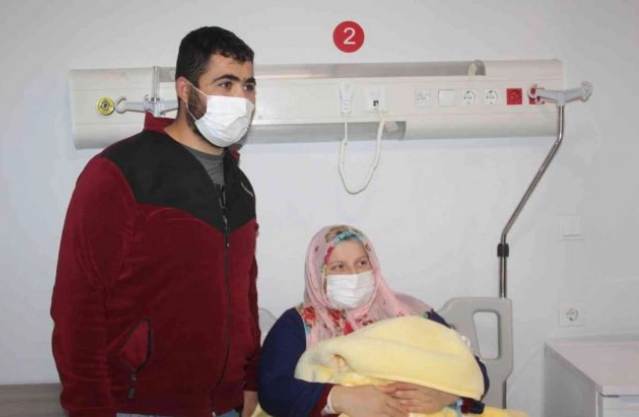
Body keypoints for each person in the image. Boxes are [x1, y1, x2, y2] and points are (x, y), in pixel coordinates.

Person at [51, 26, 261, 417]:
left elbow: (245, 292)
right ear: (184, 90)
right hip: (140, 405)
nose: (241, 99)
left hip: (227, 405)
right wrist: (89, 408)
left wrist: (250, 379)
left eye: (248, 86)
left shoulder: (240, 186)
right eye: (225, 84)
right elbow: (77, 306)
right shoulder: (121, 171)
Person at [258, 225, 489, 417]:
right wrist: (339, 398)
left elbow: (473, 369)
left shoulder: (410, 311)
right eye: (339, 267)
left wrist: (449, 394)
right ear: (318, 273)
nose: (353, 274)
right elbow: (272, 389)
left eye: (361, 263)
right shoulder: (299, 323)